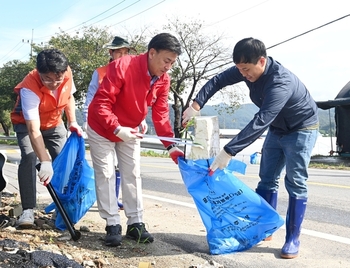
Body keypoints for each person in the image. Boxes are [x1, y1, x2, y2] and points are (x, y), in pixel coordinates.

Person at [182, 37, 319, 259]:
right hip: (277, 128)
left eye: (246, 70)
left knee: (295, 181)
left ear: (261, 61)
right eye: (240, 70)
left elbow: (261, 119)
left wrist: (229, 151)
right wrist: (196, 105)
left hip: (301, 128)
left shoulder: (280, 82)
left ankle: (293, 238)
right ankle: (265, 227)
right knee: (266, 179)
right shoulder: (246, 67)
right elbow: (218, 80)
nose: (243, 75)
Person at [87, 32, 184, 247]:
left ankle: (135, 223)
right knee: (106, 173)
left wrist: (171, 146)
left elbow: (160, 113)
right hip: (102, 126)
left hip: (130, 129)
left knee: (132, 173)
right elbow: (101, 103)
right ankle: (112, 224)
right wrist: (116, 127)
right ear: (151, 53)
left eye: (172, 63)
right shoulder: (122, 66)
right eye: (166, 61)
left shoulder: (163, 79)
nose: (168, 67)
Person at [10, 49, 82, 228]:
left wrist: (72, 121)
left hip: (54, 123)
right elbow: (33, 130)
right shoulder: (29, 87)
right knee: (29, 156)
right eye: (47, 79)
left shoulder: (66, 72)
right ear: (39, 73)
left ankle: (62, 209)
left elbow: (69, 96)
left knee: (64, 162)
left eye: (57, 79)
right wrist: (45, 161)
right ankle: (28, 209)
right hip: (27, 125)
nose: (53, 84)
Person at [82, 36, 148, 209]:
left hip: (126, 125)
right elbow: (92, 98)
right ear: (111, 52)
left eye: (126, 52)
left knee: (128, 170)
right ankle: (110, 212)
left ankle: (121, 203)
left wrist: (141, 118)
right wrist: (87, 119)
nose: (123, 55)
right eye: (119, 52)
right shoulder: (101, 72)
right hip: (103, 124)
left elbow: (137, 100)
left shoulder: (133, 71)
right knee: (106, 171)